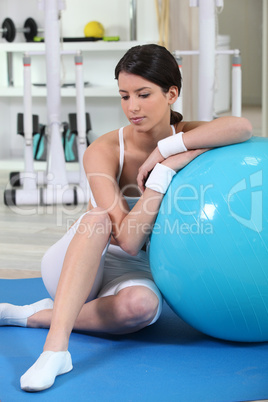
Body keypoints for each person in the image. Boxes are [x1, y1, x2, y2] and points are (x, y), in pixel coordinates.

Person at [0, 44, 252, 392]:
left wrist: (167, 151)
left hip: (138, 272)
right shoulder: (103, 150)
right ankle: (55, 350)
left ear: (172, 94)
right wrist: (163, 176)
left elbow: (241, 128)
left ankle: (35, 315)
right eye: (124, 95)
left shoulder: (187, 135)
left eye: (143, 94)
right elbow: (130, 241)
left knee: (144, 307)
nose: (132, 107)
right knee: (99, 217)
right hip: (85, 258)